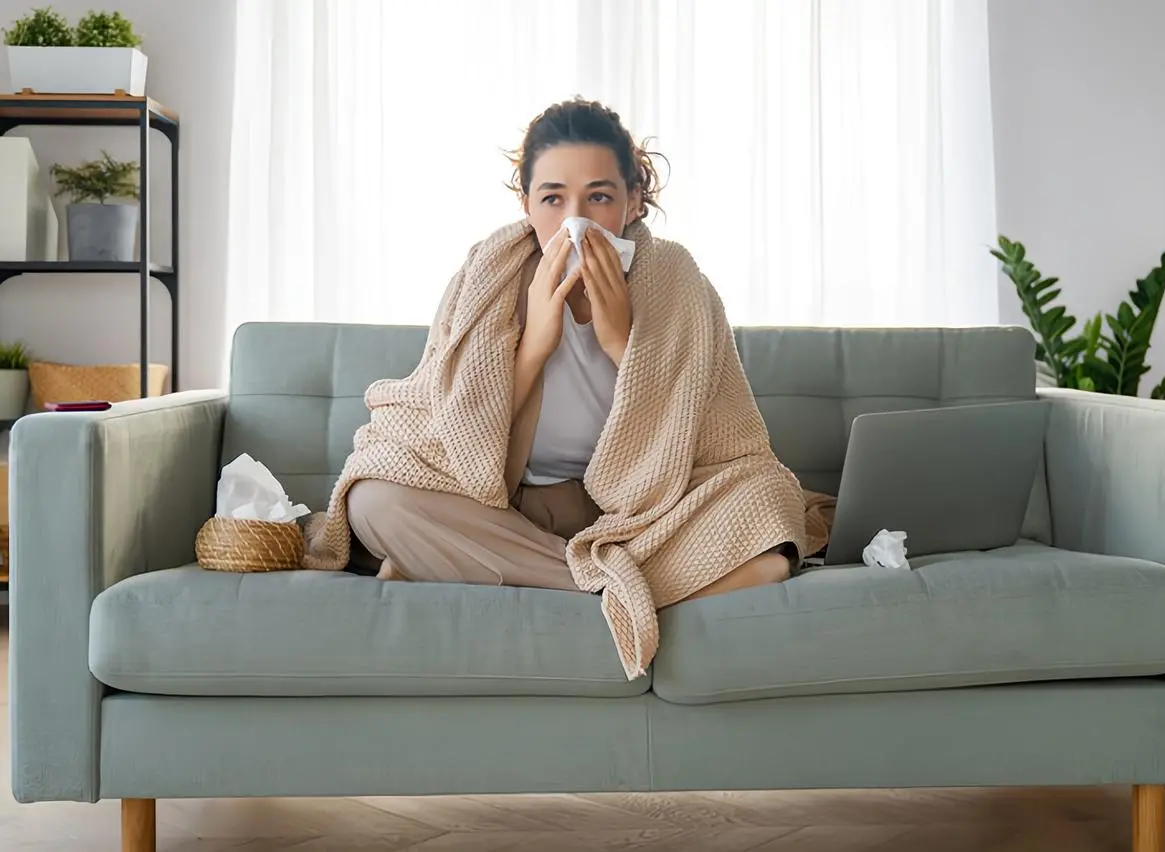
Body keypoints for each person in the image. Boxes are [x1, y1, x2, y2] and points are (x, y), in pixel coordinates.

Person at [316, 98, 806, 631]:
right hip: (510, 509)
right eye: (553, 198)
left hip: (641, 516)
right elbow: (456, 436)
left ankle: (520, 578)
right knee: (374, 503)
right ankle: (618, 590)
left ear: (633, 202)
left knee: (770, 513)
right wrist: (535, 346)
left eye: (599, 197)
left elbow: (714, 440)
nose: (576, 221)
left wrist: (622, 341)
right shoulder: (489, 273)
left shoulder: (675, 278)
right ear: (526, 204)